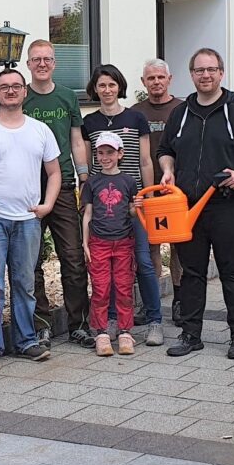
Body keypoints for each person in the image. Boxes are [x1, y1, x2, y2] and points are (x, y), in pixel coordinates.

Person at [158, 48, 234, 360]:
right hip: (188, 208)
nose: (205, 75)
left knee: (232, 270)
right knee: (192, 272)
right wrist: (168, 169)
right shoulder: (181, 113)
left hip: (228, 205)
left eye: (211, 70)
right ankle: (191, 334)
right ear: (191, 75)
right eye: (199, 70)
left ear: (221, 73)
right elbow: (165, 149)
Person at [0, 68, 62, 367]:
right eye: (3, 86)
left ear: (24, 91)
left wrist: (48, 205)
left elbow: (55, 172)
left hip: (28, 220)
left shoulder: (40, 130)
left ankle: (26, 341)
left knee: (24, 282)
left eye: (16, 86)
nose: (10, 90)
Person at [81, 65, 164, 347]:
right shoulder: (89, 122)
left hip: (134, 203)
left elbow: (145, 161)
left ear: (120, 87)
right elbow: (90, 163)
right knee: (110, 263)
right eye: (101, 85)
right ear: (95, 89)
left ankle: (154, 320)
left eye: (112, 85)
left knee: (142, 261)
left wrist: (148, 197)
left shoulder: (136, 117)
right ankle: (113, 320)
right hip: (105, 205)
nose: (107, 90)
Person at [22, 40, 93, 349]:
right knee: (30, 261)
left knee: (74, 258)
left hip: (63, 186)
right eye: (36, 59)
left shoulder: (66, 97)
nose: (42, 64)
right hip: (28, 190)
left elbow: (77, 139)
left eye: (47, 59)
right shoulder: (20, 96)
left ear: (54, 63)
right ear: (28, 64)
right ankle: (41, 324)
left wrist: (84, 176)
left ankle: (79, 324)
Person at [131, 59, 185, 326]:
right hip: (147, 191)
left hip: (175, 191)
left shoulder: (183, 108)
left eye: (160, 77)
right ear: (143, 82)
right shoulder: (135, 112)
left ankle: (179, 301)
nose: (156, 82)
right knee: (150, 247)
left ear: (169, 78)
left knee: (178, 247)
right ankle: (151, 302)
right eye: (150, 78)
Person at [82, 132, 143, 357]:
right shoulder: (92, 182)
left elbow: (131, 211)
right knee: (100, 287)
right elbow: (87, 213)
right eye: (100, 153)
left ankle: (125, 331)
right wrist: (85, 242)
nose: (105, 157)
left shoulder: (128, 181)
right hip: (98, 241)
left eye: (110, 152)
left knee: (124, 286)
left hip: (123, 241)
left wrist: (138, 207)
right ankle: (101, 332)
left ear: (120, 154)